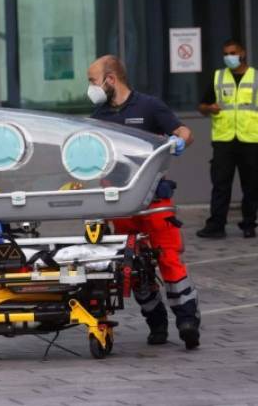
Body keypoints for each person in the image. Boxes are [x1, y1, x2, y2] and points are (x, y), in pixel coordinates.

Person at [88, 55, 201, 350]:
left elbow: (186, 133)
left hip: (154, 200)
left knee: (169, 259)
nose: (91, 88)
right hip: (121, 202)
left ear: (111, 79)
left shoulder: (149, 106)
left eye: (93, 81)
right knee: (134, 267)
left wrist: (179, 142)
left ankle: (188, 319)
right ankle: (157, 322)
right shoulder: (98, 117)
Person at [196, 39, 258, 239]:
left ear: (243, 53)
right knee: (221, 184)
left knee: (251, 185)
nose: (229, 57)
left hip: (251, 140)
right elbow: (202, 106)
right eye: (226, 54)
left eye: (232, 52)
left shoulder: (255, 78)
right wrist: (209, 108)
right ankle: (216, 225)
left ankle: (249, 224)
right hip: (224, 141)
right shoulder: (218, 77)